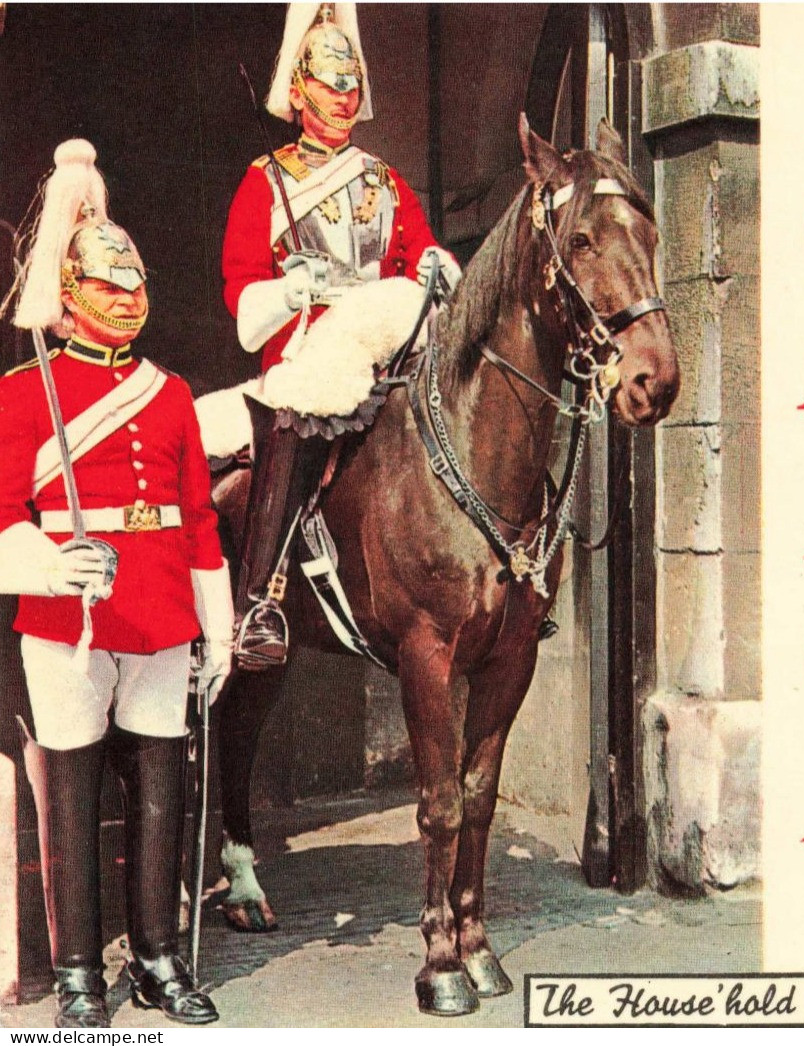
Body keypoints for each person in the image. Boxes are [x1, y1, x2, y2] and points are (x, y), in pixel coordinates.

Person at [1, 140, 231, 1027]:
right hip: (67, 617)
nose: (128, 297)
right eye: (108, 285)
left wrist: (216, 626)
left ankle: (158, 955)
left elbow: (198, 521)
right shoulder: (26, 393)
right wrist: (45, 562)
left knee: (160, 785)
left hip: (162, 609)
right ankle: (76, 973)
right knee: (70, 793)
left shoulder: (168, 393)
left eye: (135, 284)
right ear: (68, 297)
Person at [221, 1, 456, 668]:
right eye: (329, 84)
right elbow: (243, 304)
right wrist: (291, 290)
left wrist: (439, 263)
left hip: (387, 349)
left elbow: (421, 254)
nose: (344, 97)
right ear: (297, 92)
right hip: (307, 350)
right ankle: (260, 600)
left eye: (351, 84)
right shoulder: (265, 182)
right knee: (298, 408)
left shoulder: (384, 181)